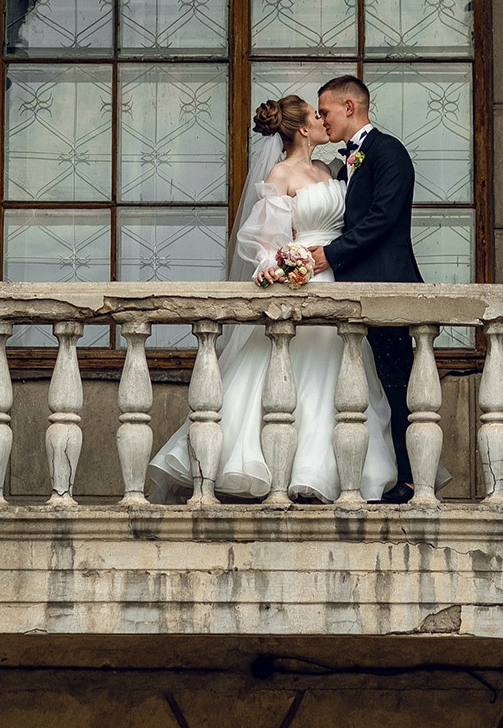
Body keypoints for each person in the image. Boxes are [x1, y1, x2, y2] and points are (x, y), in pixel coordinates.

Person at [146, 95, 401, 503]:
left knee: (341, 374)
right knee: (297, 375)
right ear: (303, 128)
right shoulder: (281, 174)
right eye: (317, 116)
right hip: (305, 280)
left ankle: (335, 470)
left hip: (338, 277)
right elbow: (266, 240)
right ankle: (282, 467)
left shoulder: (333, 169)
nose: (323, 121)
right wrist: (277, 264)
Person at [310, 75, 426, 502]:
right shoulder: (346, 163)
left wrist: (331, 255)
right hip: (356, 291)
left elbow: (382, 218)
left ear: (348, 107)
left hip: (389, 286)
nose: (322, 120)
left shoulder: (388, 151)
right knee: (370, 389)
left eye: (324, 111)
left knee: (399, 385)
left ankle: (413, 480)